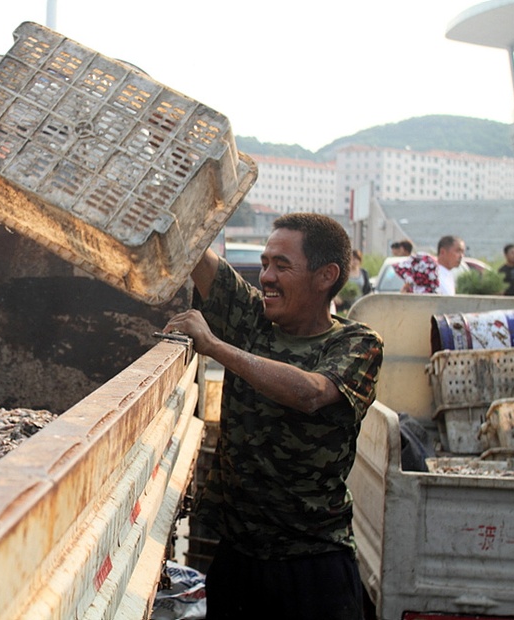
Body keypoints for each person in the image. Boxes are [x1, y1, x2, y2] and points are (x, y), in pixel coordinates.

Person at [164, 213, 383, 619]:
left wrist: (216, 346)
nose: (266, 276)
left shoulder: (357, 344)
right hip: (237, 559)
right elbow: (192, 249)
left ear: (325, 276)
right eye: (265, 263)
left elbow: (311, 393)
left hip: (312, 566)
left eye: (282, 265)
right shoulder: (254, 319)